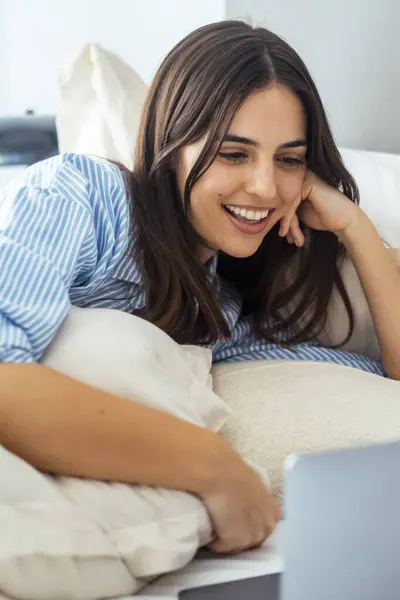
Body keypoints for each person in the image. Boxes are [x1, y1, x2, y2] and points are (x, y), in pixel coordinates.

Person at [1, 20, 399, 555]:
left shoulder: (222, 314)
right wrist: (214, 468)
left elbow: (388, 379)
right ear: (172, 144)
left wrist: (358, 229)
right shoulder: (86, 196)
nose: (264, 187)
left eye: (289, 160)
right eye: (233, 153)